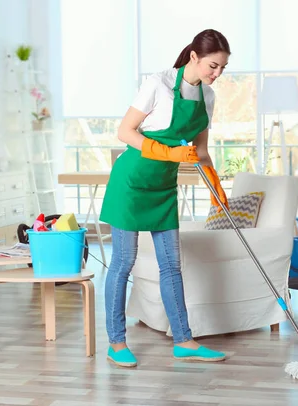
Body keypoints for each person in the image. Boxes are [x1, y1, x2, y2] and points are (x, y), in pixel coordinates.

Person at [99, 29, 231, 367]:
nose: (216, 75)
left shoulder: (207, 98)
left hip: (162, 189)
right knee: (123, 262)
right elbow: (125, 132)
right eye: (212, 66)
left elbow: (200, 152)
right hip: (130, 183)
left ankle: (184, 340)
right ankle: (116, 342)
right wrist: (168, 153)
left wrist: (217, 190)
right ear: (194, 57)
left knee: (171, 265)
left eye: (222, 69)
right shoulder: (157, 84)